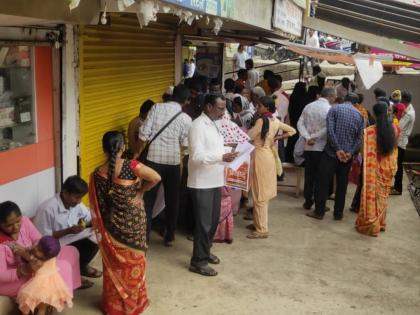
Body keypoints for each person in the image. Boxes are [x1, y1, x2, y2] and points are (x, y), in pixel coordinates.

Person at [89, 131, 161, 315]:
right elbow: (156, 177)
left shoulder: (97, 173)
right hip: (134, 223)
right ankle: (134, 304)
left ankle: (114, 306)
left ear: (104, 148)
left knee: (114, 266)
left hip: (111, 226)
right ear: (123, 146)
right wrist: (140, 192)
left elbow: (100, 203)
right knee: (134, 263)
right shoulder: (132, 166)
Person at [187, 93, 238, 276]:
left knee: (214, 219)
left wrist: (229, 151)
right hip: (201, 182)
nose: (223, 112)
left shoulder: (216, 124)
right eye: (220, 108)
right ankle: (198, 261)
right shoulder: (197, 126)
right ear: (208, 107)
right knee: (203, 223)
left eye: (224, 107)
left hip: (216, 178)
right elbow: (197, 157)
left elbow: (216, 148)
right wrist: (221, 156)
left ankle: (205, 251)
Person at [139, 84, 192, 246]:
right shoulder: (186, 119)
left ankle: (145, 237)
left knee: (148, 198)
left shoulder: (156, 108)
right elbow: (185, 144)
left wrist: (138, 152)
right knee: (172, 199)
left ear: (172, 95)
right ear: (186, 101)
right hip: (173, 163)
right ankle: (169, 236)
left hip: (153, 160)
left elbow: (143, 134)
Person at [0, 201, 82, 306]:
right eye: (9, 225)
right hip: (13, 277)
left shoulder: (24, 221)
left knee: (71, 252)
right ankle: (52, 300)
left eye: (17, 221)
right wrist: (24, 270)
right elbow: (1, 275)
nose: (16, 227)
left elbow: (38, 240)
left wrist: (31, 251)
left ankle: (65, 293)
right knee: (61, 267)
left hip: (33, 258)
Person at [307, 92, 364, 220]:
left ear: (344, 99)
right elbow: (359, 138)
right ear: (356, 104)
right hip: (347, 158)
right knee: (342, 185)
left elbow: (330, 131)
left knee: (323, 183)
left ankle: (319, 212)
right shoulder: (360, 116)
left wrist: (338, 149)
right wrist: (350, 152)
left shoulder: (334, 109)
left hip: (331, 154)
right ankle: (338, 214)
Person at [33, 176, 101, 281]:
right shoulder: (47, 208)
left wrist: (96, 222)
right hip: (54, 245)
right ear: (65, 193)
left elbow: (89, 216)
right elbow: (42, 238)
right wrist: (68, 230)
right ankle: (74, 274)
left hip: (71, 238)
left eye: (80, 198)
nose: (79, 201)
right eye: (76, 197)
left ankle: (80, 267)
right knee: (92, 238)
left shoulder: (76, 204)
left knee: (98, 235)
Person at [247, 96, 296, 239]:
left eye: (259, 106)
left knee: (259, 193)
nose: (257, 108)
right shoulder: (275, 120)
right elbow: (292, 131)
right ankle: (258, 222)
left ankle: (262, 229)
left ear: (266, 108)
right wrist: (275, 138)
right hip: (268, 155)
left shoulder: (261, 121)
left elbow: (248, 136)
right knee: (262, 191)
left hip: (259, 156)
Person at [354, 102, 399, 237]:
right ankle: (381, 222)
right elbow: (394, 150)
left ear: (373, 113)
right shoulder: (394, 129)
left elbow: (363, 151)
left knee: (371, 197)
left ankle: (371, 224)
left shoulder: (369, 132)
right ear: (387, 112)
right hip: (388, 168)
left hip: (373, 169)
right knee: (383, 197)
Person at [298, 87, 336, 210]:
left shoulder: (308, 106)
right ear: (330, 97)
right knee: (321, 177)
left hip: (307, 146)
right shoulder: (329, 109)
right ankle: (320, 203)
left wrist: (307, 137)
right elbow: (328, 128)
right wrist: (314, 137)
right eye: (334, 97)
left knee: (309, 176)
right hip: (321, 147)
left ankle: (308, 201)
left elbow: (300, 123)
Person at [213, 116, 250, 243]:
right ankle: (227, 233)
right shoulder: (233, 126)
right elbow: (247, 141)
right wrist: (233, 146)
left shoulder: (213, 125)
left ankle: (214, 233)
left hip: (217, 163)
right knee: (227, 197)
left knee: (214, 199)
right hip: (231, 164)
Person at [15, 236, 72, 315]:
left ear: (46, 256)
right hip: (52, 285)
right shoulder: (51, 257)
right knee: (42, 308)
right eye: (38, 245)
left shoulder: (39, 260)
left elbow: (26, 256)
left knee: (27, 303)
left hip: (38, 286)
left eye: (39, 250)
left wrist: (20, 251)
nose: (36, 249)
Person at [391, 90, 416, 195]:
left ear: (404, 101)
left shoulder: (409, 114)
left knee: (398, 165)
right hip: (401, 139)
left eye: (402, 101)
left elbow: (399, 126)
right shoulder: (409, 108)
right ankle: (396, 186)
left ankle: (398, 188)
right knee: (397, 164)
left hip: (401, 142)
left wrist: (395, 117)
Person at [286, 82, 308, 162]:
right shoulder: (305, 98)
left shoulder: (293, 96)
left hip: (293, 119)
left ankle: (289, 156)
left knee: (292, 138)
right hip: (301, 121)